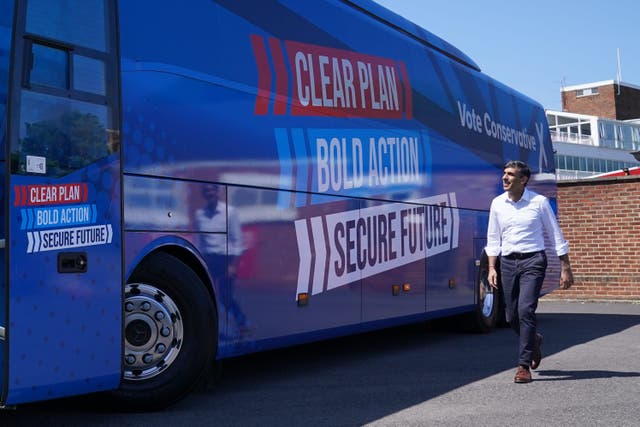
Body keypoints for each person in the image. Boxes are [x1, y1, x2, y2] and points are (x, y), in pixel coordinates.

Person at [486, 160, 574, 384]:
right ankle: (534, 340)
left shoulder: (539, 203)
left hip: (533, 261)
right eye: (504, 174)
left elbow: (555, 234)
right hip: (507, 262)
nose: (505, 178)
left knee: (526, 310)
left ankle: (523, 365)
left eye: (511, 175)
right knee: (510, 316)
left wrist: (565, 267)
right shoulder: (497, 204)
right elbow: (493, 238)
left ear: (523, 180)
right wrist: (491, 268)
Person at [195, 183, 247, 333]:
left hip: (225, 259)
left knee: (226, 297)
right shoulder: (200, 214)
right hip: (208, 259)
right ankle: (210, 327)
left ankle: (242, 322)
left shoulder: (230, 212)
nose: (209, 194)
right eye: (206, 191)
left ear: (218, 193)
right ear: (204, 195)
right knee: (205, 294)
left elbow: (237, 240)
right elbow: (200, 241)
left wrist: (232, 265)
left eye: (212, 191)